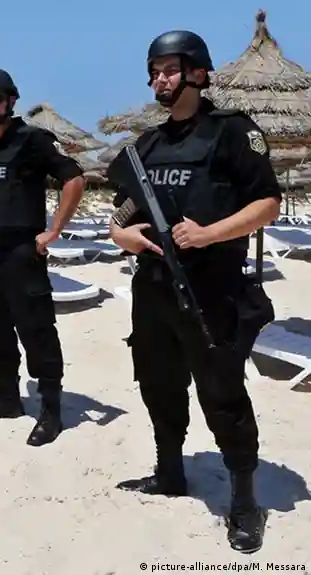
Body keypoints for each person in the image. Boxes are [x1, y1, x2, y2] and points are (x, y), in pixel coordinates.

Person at [107, 31, 280, 554]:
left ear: (198, 73)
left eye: (169, 69)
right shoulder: (146, 145)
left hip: (212, 286)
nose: (159, 79)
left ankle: (244, 500)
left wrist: (209, 234)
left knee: (222, 392)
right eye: (154, 70)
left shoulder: (233, 132)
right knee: (157, 382)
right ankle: (169, 471)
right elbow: (123, 211)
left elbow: (267, 203)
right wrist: (119, 235)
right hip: (153, 288)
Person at [0, 68, 85, 447]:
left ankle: (51, 410)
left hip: (21, 250)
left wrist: (54, 231)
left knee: (37, 330)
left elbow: (75, 179)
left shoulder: (32, 139)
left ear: (11, 100)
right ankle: (8, 398)